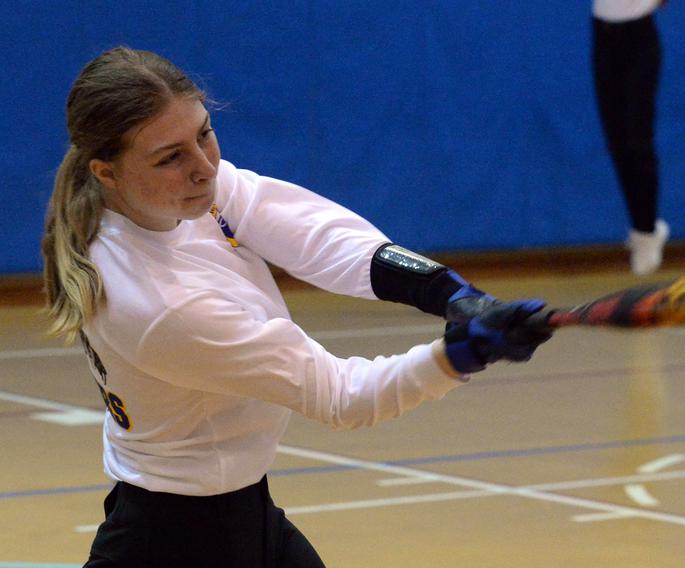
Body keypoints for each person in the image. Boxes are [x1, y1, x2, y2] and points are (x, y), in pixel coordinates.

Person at [42, 46, 551, 567]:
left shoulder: (176, 198)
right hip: (176, 541)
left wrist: (451, 294)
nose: (204, 167)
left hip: (237, 513)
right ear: (106, 172)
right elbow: (343, 396)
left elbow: (320, 238)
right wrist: (459, 356)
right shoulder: (160, 306)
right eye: (171, 156)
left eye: (204, 133)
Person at [592, 0, 669, 275]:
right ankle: (641, 228)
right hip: (603, 37)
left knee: (638, 141)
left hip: (640, 37)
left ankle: (647, 231)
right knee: (617, 143)